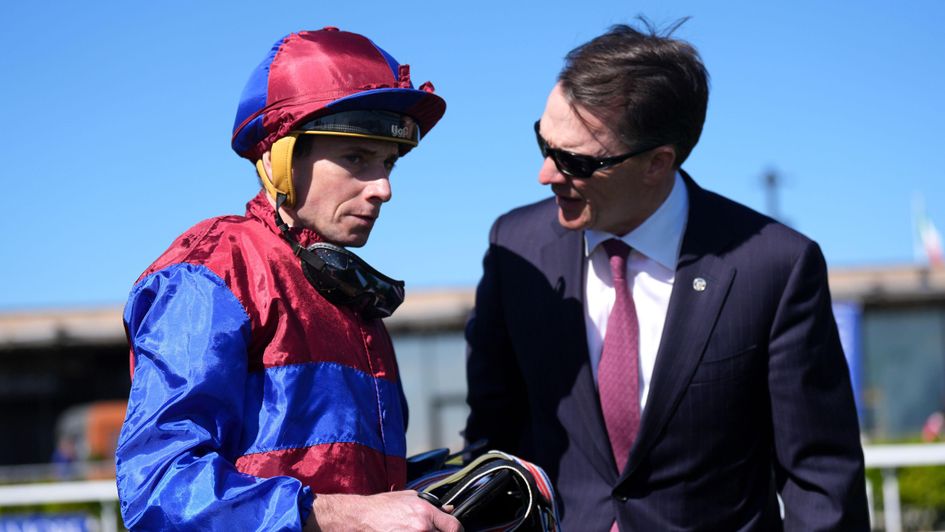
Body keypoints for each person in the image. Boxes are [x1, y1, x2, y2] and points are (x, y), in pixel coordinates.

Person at [464, 20, 870, 531]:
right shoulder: (515, 248)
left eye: (575, 162)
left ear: (658, 163)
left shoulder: (774, 267)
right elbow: (493, 443)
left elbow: (821, 480)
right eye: (543, 144)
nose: (546, 174)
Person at [115, 27, 461, 532]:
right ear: (281, 158)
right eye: (356, 159)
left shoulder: (353, 300)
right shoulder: (212, 271)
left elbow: (342, 480)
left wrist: (436, 490)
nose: (383, 188)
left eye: (388, 162)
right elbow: (159, 486)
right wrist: (341, 515)